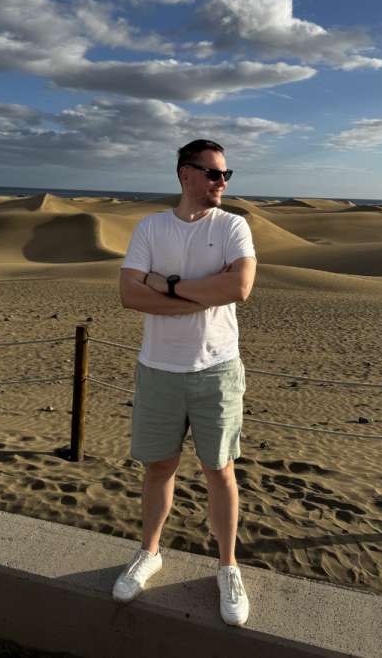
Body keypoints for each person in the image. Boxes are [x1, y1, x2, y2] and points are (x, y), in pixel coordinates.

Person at [113, 139, 257, 627]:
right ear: (185, 175)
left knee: (220, 470)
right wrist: (200, 293)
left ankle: (227, 567)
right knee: (159, 467)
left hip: (217, 369)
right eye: (214, 173)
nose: (222, 182)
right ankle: (149, 552)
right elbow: (129, 294)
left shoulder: (233, 226)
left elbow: (238, 288)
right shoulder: (151, 228)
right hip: (159, 368)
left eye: (225, 174)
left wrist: (167, 285)